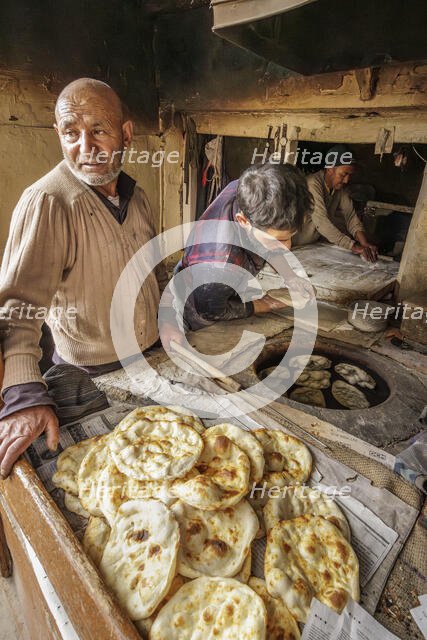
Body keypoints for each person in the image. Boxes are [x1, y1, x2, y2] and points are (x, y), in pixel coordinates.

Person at [0, 78, 176, 477]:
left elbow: (156, 270)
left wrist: (168, 321)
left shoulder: (139, 197)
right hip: (87, 380)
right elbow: (17, 307)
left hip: (151, 364)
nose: (86, 147)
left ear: (125, 134)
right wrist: (23, 395)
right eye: (71, 133)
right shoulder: (48, 201)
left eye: (98, 130)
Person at [174, 162, 313, 330]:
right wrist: (266, 304)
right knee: (210, 338)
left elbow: (271, 238)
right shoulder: (219, 263)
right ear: (243, 221)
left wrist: (290, 276)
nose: (287, 247)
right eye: (278, 241)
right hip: (198, 301)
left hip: (223, 280)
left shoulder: (252, 188)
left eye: (290, 237)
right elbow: (210, 309)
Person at [293, 145, 378, 262]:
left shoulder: (338, 189)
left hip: (310, 246)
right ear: (330, 169)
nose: (347, 180)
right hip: (294, 246)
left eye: (349, 175)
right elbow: (321, 222)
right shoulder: (313, 184)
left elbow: (351, 217)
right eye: (343, 174)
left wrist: (365, 243)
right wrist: (353, 246)